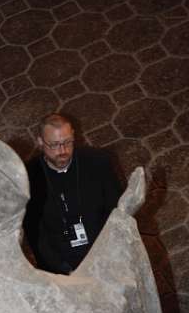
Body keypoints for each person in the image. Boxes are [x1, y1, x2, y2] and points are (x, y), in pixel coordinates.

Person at [23, 113, 122, 275]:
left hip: (104, 250)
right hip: (62, 265)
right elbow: (36, 235)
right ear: (40, 142)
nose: (62, 151)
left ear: (73, 136)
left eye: (67, 142)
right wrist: (64, 271)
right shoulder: (28, 178)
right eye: (54, 145)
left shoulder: (98, 162)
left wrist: (108, 254)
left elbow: (115, 211)